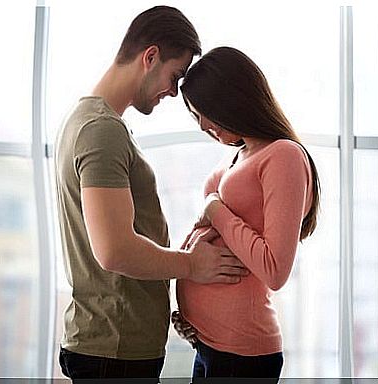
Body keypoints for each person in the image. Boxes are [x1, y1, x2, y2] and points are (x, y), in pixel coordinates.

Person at [53, 8, 249, 382]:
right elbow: (115, 251)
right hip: (114, 351)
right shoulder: (101, 130)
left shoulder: (90, 122)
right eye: (175, 76)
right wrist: (193, 265)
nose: (174, 91)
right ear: (150, 57)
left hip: (114, 347)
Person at [172, 46, 321, 382]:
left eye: (206, 112)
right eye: (195, 116)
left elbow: (274, 269)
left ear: (234, 98)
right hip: (210, 344)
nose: (203, 125)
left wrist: (214, 208)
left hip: (241, 353)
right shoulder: (240, 155)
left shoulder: (284, 155)